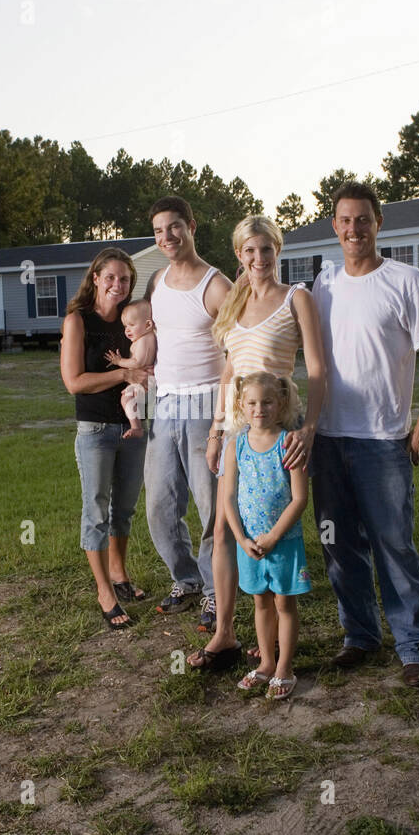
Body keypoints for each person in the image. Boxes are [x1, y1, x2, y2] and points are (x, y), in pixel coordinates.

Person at [311, 181, 419, 688]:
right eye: (345, 220)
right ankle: (360, 636)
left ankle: (416, 646)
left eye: (363, 219)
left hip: (384, 439)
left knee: (394, 543)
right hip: (328, 437)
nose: (354, 229)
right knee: (339, 544)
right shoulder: (321, 286)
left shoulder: (406, 281)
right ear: (335, 226)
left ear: (378, 223)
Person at [186, 214, 326, 672]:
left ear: (277, 250)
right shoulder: (234, 302)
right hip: (234, 428)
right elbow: (228, 372)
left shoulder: (296, 298)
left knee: (277, 521)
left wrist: (308, 429)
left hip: (276, 425)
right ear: (239, 255)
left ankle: (278, 632)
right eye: (249, 251)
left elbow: (319, 370)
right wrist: (215, 431)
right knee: (225, 526)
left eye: (266, 249)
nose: (258, 258)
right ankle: (226, 633)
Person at [142, 196, 234, 626]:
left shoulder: (216, 286)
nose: (167, 237)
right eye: (159, 231)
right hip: (164, 402)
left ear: (191, 226)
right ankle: (187, 578)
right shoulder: (157, 280)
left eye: (174, 227)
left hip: (204, 404)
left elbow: (239, 350)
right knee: (159, 504)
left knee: (210, 506)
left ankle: (216, 593)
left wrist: (223, 418)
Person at [59, 248, 153, 629]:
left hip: (133, 429)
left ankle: (119, 573)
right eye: (110, 277)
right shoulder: (78, 321)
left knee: (124, 509)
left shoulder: (133, 323)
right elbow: (74, 383)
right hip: (95, 429)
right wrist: (123, 376)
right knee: (96, 511)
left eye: (125, 279)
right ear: (95, 278)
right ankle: (104, 592)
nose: (118, 285)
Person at [223, 372, 311, 700]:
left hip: (283, 543)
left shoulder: (289, 443)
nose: (259, 409)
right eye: (252, 403)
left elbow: (300, 499)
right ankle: (266, 663)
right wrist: (241, 538)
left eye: (267, 402)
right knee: (261, 602)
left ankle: (285, 667)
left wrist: (274, 536)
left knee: (284, 602)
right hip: (250, 545)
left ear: (281, 403)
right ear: (241, 405)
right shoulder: (236, 446)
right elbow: (229, 498)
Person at [104, 299, 156, 439]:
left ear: (148, 325)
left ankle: (136, 427)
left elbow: (137, 362)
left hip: (144, 380)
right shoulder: (145, 337)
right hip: (144, 380)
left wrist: (119, 361)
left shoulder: (145, 340)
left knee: (125, 399)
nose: (127, 330)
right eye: (125, 326)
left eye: (132, 325)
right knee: (131, 400)